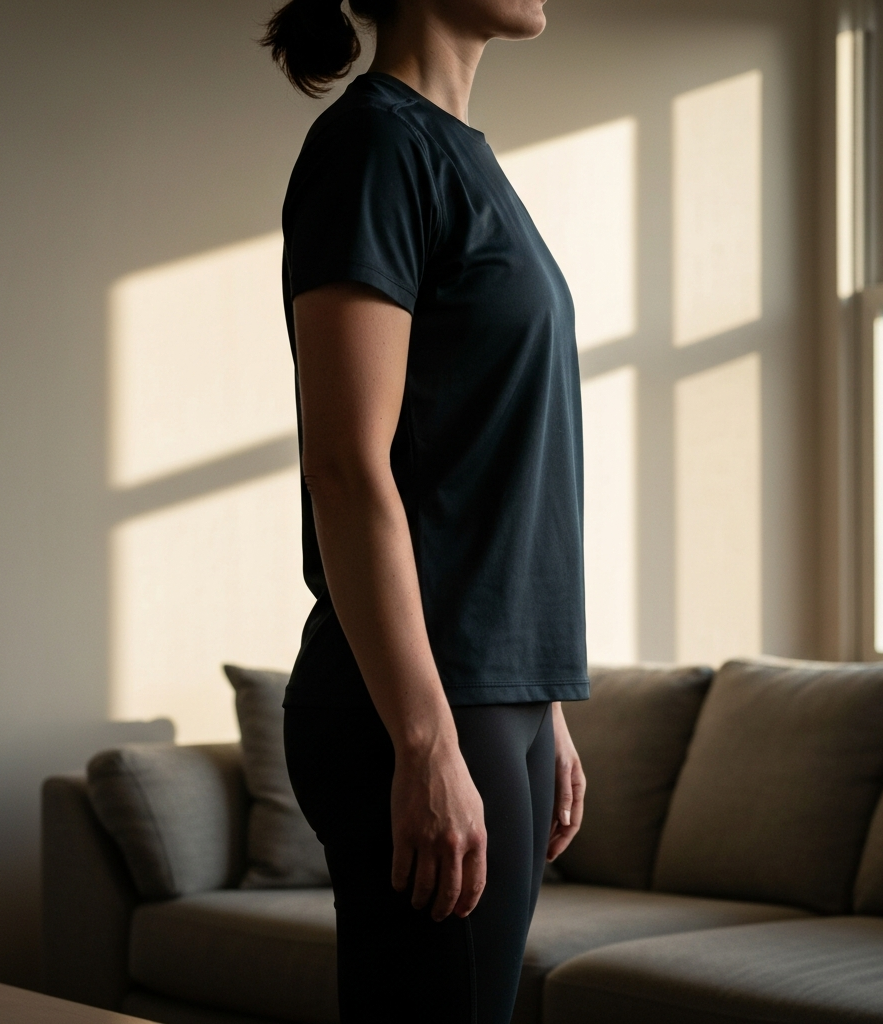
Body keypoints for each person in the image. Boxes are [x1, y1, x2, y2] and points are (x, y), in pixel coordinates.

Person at [264, 1, 588, 1021]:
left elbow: (487, 464)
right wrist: (424, 741)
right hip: (418, 699)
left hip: (494, 692)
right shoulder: (373, 148)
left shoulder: (461, 157)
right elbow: (345, 465)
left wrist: (540, 699)